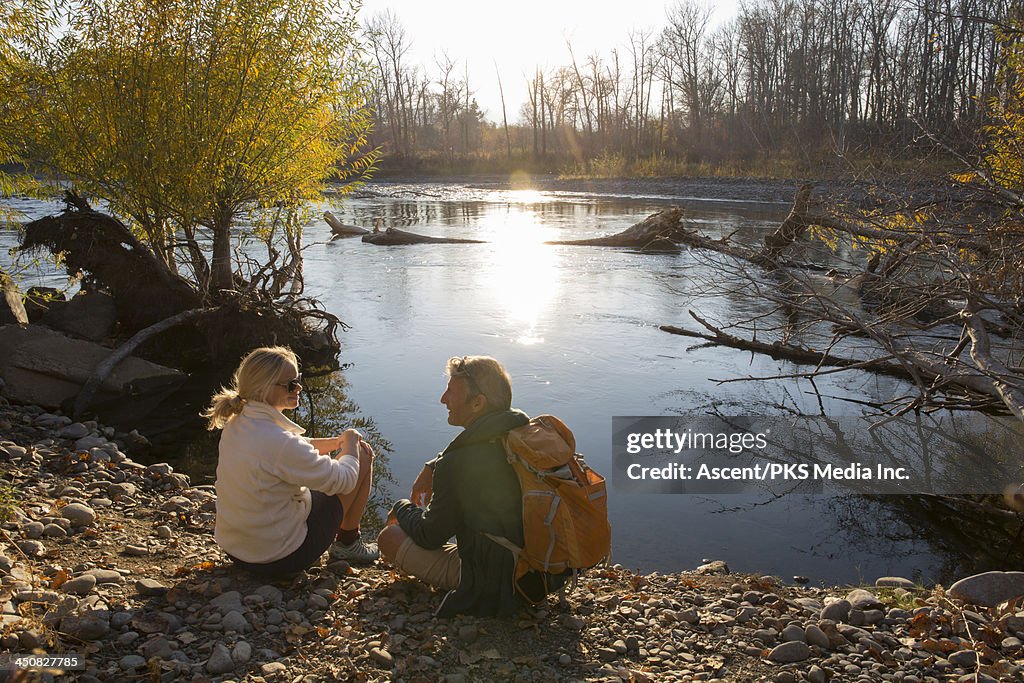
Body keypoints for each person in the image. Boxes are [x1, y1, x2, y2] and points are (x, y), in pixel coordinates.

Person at [378, 355, 546, 617]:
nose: (443, 399)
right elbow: (472, 446)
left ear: (478, 402)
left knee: (389, 537)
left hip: (499, 581)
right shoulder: (523, 436)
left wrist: (402, 508)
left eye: (451, 392)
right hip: (543, 570)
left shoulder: (457, 465)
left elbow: (430, 536)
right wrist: (433, 464)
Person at [205, 346, 379, 575]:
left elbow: (289, 450)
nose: (298, 388)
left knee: (343, 460)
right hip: (279, 559)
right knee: (362, 455)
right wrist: (350, 443)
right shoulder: (279, 442)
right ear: (264, 388)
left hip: (238, 551)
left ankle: (345, 541)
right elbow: (345, 480)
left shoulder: (239, 422)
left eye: (298, 379)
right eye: (290, 384)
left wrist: (336, 442)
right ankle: (348, 543)